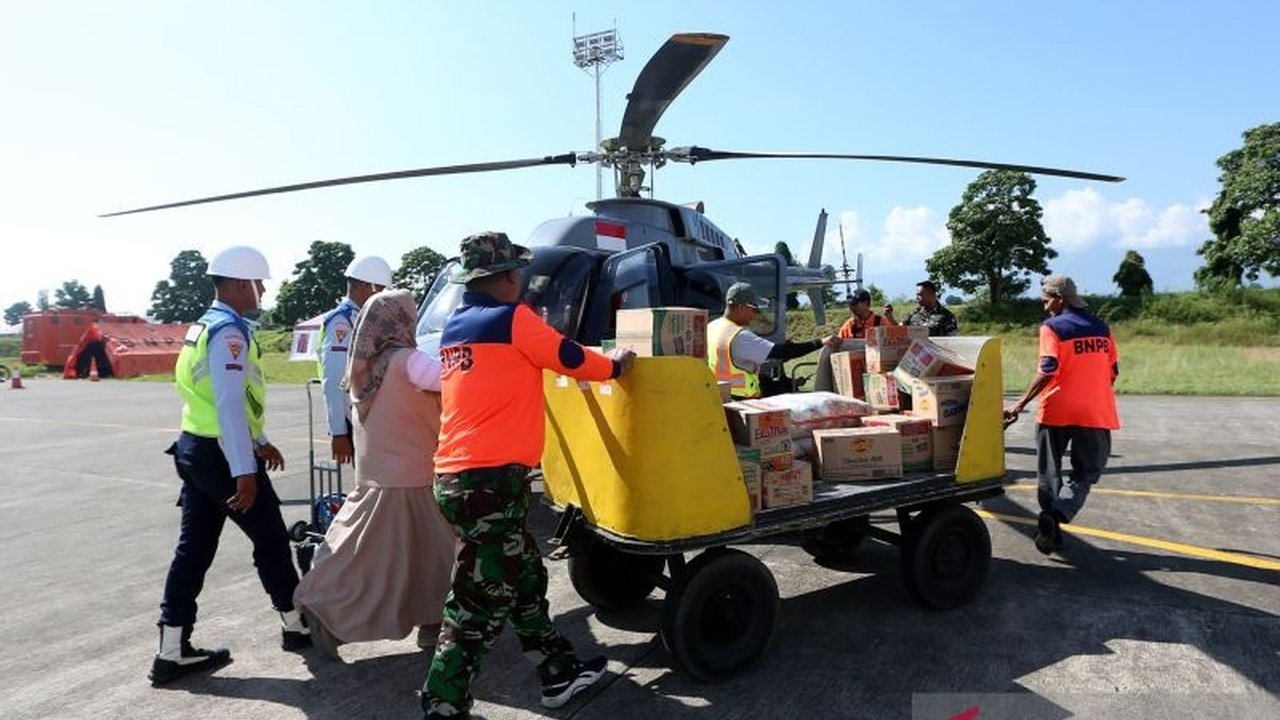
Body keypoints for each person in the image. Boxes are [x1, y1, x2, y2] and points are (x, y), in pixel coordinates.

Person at [420, 231, 637, 719]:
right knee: (476, 602)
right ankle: (443, 705)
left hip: (461, 476)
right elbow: (572, 359)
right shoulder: (512, 319)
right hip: (488, 482)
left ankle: (558, 673)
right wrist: (618, 365)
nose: (521, 281)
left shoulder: (458, 326)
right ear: (503, 277)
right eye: (517, 273)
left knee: (523, 577)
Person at [150, 245, 309, 686]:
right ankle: (296, 627)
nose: (261, 291)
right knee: (272, 541)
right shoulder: (229, 334)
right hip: (222, 456)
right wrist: (245, 470)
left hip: (196, 449)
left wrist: (259, 441)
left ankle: (171, 651)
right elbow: (228, 405)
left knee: (194, 551)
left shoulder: (204, 326)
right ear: (241, 284)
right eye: (258, 284)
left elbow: (222, 400)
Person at [295, 289, 456, 659]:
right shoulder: (407, 361)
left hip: (375, 478)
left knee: (377, 557)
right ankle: (327, 610)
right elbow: (454, 382)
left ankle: (431, 623)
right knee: (438, 555)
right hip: (414, 478)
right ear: (399, 320)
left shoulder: (365, 366)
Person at [1003, 274, 1120, 555]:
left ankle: (1050, 522)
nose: (1044, 308)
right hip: (1094, 412)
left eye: (1046, 302)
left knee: (1049, 472)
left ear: (1059, 298)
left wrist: (1019, 402)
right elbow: (1113, 371)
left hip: (1055, 410)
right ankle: (1055, 519)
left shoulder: (1052, 328)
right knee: (1086, 472)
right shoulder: (1102, 328)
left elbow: (1047, 369)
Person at [318, 255, 394, 465]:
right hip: (354, 417)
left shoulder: (364, 318)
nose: (382, 296)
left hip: (369, 415)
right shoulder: (342, 323)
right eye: (379, 289)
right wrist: (338, 432)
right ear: (364, 286)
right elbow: (334, 380)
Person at [707, 282, 842, 400]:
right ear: (742, 307)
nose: (755, 314)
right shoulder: (738, 336)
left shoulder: (712, 327)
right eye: (754, 309)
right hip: (741, 401)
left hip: (718, 396)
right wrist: (820, 342)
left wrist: (789, 384)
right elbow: (782, 352)